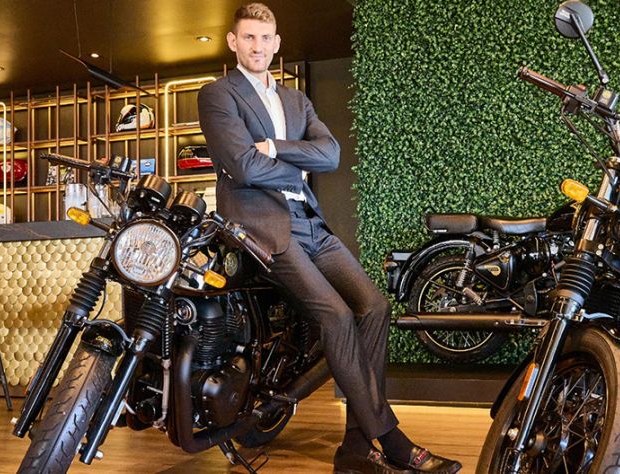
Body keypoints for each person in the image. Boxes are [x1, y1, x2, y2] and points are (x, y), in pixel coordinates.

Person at [197, 4, 461, 474]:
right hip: (262, 228)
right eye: (249, 37)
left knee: (374, 307)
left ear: (277, 43)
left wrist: (275, 148)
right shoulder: (219, 94)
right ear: (233, 42)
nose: (258, 46)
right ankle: (392, 440)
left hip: (311, 223)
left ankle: (355, 447)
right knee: (336, 316)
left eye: (265, 38)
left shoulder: (297, 101)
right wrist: (296, 167)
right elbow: (242, 165)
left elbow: (332, 155)